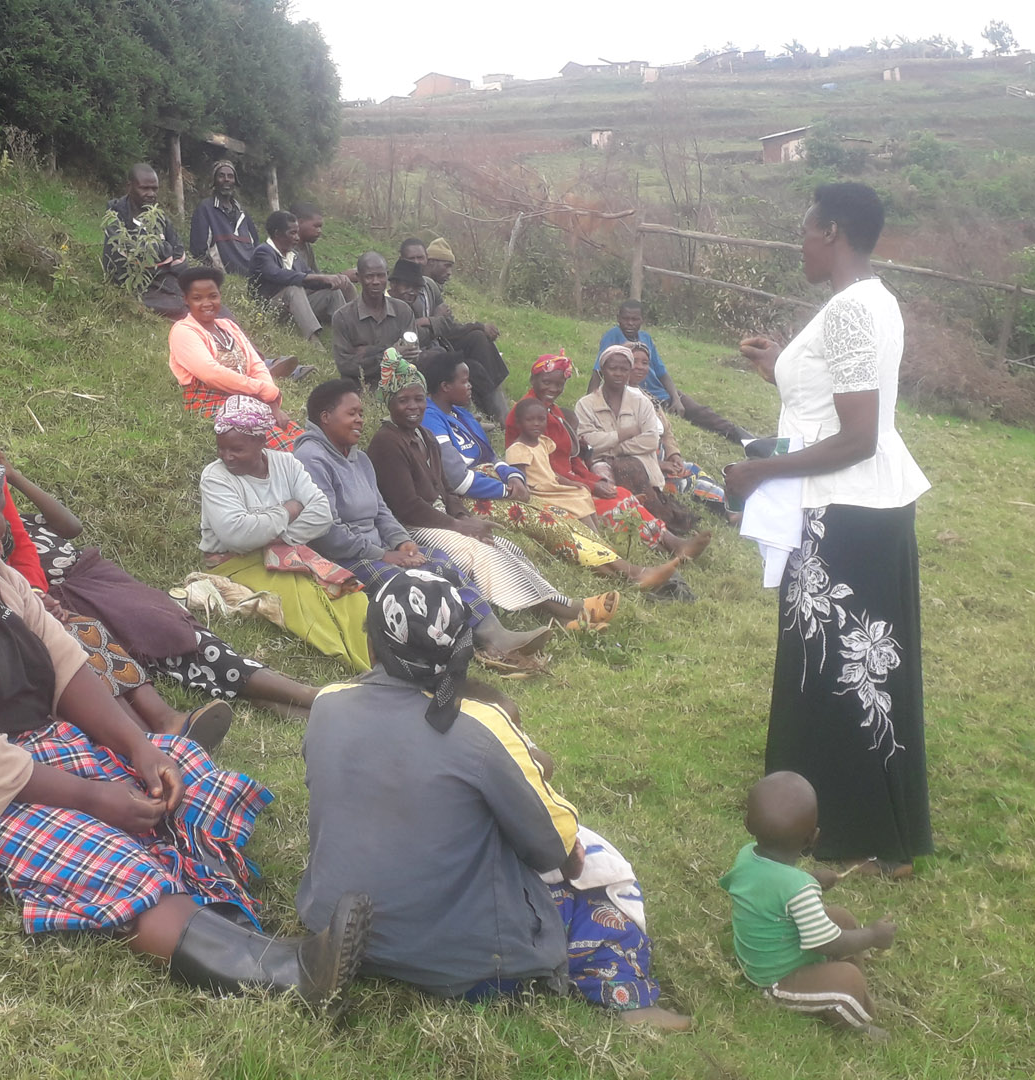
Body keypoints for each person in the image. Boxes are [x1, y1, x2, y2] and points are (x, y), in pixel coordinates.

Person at [0, 440, 373, 1015]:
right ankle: (287, 973)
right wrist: (95, 798)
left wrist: (141, 749)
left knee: (181, 771)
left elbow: (66, 661)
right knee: (103, 853)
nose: (8, 518)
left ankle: (210, 907)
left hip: (24, 750)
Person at [298, 570, 692, 1031]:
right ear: (461, 651)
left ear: (370, 646)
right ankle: (627, 996)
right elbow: (559, 853)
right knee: (603, 877)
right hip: (467, 967)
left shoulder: (326, 704)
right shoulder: (482, 726)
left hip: (332, 929)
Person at [0, 375, 321, 720]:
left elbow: (68, 528)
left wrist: (12, 475)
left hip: (77, 572)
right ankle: (277, 698)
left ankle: (292, 696)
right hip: (34, 593)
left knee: (171, 627)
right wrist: (33, 593)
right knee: (147, 642)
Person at [727, 182, 932, 875]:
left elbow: (858, 435)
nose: (801, 245)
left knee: (844, 672)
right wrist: (780, 366)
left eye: (806, 232)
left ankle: (862, 835)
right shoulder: (873, 300)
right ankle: (854, 819)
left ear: (833, 231)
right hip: (865, 510)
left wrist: (758, 473)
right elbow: (833, 401)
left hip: (844, 515)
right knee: (852, 669)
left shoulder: (848, 311)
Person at [291, 378, 551, 659]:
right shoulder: (312, 459)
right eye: (351, 413)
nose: (359, 420)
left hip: (377, 548)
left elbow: (381, 511)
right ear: (325, 417)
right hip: (341, 558)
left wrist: (402, 543)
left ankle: (493, 633)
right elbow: (328, 532)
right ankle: (460, 646)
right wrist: (384, 555)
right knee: (409, 582)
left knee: (441, 563)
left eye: (361, 413)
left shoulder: (359, 459)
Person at [366, 354, 621, 629]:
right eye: (403, 400)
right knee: (480, 554)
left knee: (505, 547)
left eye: (418, 399)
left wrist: (464, 517)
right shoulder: (387, 442)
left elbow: (446, 488)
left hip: (441, 518)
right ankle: (569, 608)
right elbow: (408, 507)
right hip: (416, 527)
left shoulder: (423, 436)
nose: (413, 407)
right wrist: (458, 526)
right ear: (388, 402)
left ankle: (560, 614)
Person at [417, 352, 695, 592]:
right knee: (552, 524)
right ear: (444, 386)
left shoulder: (461, 414)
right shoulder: (435, 418)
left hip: (504, 484)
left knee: (564, 517)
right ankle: (631, 572)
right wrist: (508, 488)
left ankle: (630, 568)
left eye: (559, 384)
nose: (471, 387)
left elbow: (492, 456)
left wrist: (513, 478)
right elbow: (459, 478)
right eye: (464, 382)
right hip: (474, 496)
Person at [198, 395, 373, 672]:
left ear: (261, 441)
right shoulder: (215, 476)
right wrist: (288, 510)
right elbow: (236, 535)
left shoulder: (286, 464)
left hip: (286, 551)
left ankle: (378, 658)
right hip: (235, 562)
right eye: (221, 448)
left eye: (236, 449)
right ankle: (354, 666)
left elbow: (322, 514)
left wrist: (276, 537)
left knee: (349, 595)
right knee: (306, 600)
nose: (226, 456)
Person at [720, 771, 896, 1039]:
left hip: (762, 956)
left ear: (747, 824)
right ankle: (858, 1027)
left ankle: (842, 970)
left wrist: (812, 880)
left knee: (841, 918)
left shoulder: (746, 856)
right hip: (776, 980)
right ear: (813, 838)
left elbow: (770, 886)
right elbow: (825, 942)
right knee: (848, 980)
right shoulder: (798, 888)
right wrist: (872, 936)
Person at [170, 265, 308, 451]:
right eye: (197, 298)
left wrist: (271, 400)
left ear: (220, 296)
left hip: (248, 397)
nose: (207, 303)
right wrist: (263, 391)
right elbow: (211, 374)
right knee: (282, 444)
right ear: (186, 300)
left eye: (212, 296)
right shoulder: (183, 331)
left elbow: (256, 364)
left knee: (302, 439)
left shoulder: (228, 326)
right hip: (211, 401)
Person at [576, 345, 706, 536]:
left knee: (630, 467)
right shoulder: (586, 404)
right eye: (613, 368)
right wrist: (623, 434)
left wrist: (614, 447)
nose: (618, 373)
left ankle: (653, 520)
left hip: (640, 461)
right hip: (601, 462)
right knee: (610, 479)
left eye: (624, 369)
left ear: (629, 371)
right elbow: (588, 442)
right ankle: (650, 522)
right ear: (602, 371)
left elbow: (651, 440)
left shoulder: (641, 402)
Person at [591, 302, 753, 445]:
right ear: (618, 318)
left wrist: (676, 398)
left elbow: (662, 372)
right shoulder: (612, 337)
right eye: (626, 319)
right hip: (639, 396)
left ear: (642, 320)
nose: (630, 323)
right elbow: (598, 369)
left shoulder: (646, 338)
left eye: (635, 319)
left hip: (661, 392)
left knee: (699, 411)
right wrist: (591, 400)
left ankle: (743, 437)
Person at [405, 237, 510, 420]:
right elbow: (410, 332)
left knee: (478, 338)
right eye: (446, 266)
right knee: (472, 368)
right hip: (422, 351)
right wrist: (435, 320)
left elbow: (448, 324)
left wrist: (432, 321)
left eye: (420, 258)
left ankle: (501, 411)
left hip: (440, 341)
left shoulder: (430, 287)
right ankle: (474, 415)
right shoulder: (399, 289)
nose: (417, 263)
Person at [627, 341, 728, 514]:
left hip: (663, 460)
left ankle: (732, 503)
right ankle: (729, 510)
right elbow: (622, 447)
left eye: (645, 363)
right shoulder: (618, 399)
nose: (640, 367)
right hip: (643, 469)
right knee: (690, 482)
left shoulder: (647, 396)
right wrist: (659, 464)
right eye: (634, 361)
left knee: (693, 469)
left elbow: (666, 432)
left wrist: (674, 456)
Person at [249, 209, 353, 346]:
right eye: (292, 233)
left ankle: (350, 336)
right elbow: (277, 274)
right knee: (294, 289)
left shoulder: (294, 256)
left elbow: (310, 279)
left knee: (333, 292)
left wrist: (331, 280)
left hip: (295, 308)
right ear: (277, 234)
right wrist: (317, 278)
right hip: (269, 310)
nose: (297, 238)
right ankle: (314, 341)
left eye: (297, 233)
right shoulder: (263, 252)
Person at [102, 163, 191, 320]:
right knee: (178, 305)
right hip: (133, 284)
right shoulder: (115, 217)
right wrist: (165, 254)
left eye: (154, 189)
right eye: (144, 188)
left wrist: (155, 258)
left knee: (197, 296)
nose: (151, 194)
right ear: (129, 186)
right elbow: (121, 262)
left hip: (165, 282)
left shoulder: (160, 218)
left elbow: (180, 258)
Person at [329, 252, 417, 386]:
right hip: (360, 387)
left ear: (387, 275)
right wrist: (392, 355)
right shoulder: (343, 317)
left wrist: (368, 352)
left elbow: (412, 356)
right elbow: (345, 365)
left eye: (381, 275)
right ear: (358, 277)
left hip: (397, 384)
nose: (376, 282)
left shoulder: (403, 311)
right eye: (369, 276)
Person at [189, 160, 260, 275]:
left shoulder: (242, 212)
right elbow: (198, 250)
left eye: (230, 176)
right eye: (221, 176)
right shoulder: (206, 208)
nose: (226, 179)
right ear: (214, 181)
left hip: (250, 275)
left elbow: (256, 244)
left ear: (235, 181)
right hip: (223, 275)